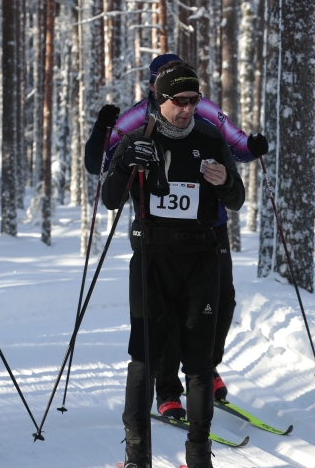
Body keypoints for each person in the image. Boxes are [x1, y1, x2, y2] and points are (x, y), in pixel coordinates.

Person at [86, 53, 268, 420]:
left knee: (223, 302)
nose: (185, 105)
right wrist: (100, 131)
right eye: (162, 82)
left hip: (208, 230)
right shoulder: (138, 119)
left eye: (191, 98)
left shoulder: (204, 114)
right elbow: (101, 166)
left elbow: (235, 143)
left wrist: (253, 147)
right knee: (164, 316)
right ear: (153, 85)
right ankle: (168, 390)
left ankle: (205, 364)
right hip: (155, 236)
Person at [102, 61, 245, 468]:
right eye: (178, 101)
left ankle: (199, 458)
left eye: (192, 101)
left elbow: (236, 199)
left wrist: (225, 182)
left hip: (201, 260)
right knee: (144, 359)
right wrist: (127, 161)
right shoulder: (137, 138)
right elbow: (111, 199)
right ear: (159, 100)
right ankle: (136, 457)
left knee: (198, 364)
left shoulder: (210, 137)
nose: (186, 108)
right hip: (152, 258)